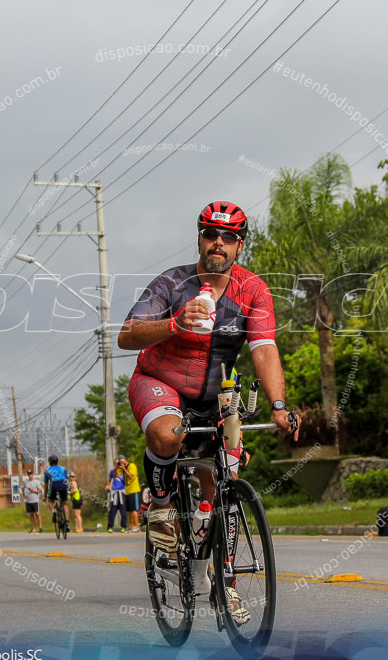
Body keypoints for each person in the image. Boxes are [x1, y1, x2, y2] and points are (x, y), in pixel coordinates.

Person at [117, 201, 300, 627]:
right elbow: (128, 335)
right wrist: (175, 324)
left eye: (230, 236)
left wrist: (277, 405)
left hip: (216, 395)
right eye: (211, 234)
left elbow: (265, 350)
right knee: (167, 436)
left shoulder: (253, 290)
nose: (219, 242)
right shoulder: (171, 282)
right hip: (159, 381)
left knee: (225, 481)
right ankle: (161, 507)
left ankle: (220, 580)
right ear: (200, 238)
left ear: (239, 245)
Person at [42, 455, 70, 531]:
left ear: (49, 462)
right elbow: (67, 480)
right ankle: (67, 523)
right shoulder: (63, 468)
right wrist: (67, 490)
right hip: (63, 484)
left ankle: (54, 511)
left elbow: (46, 485)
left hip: (53, 484)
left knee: (50, 501)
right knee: (64, 504)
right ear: (57, 462)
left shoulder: (47, 470)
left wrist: (45, 496)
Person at [117, 455, 141, 532]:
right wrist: (116, 466)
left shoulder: (132, 466)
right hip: (127, 491)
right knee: (130, 510)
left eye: (123, 461)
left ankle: (137, 527)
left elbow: (131, 476)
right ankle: (130, 526)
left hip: (134, 490)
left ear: (126, 460)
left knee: (134, 509)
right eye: (120, 462)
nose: (122, 463)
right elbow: (116, 475)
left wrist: (124, 468)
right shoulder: (122, 468)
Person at [105, 463, 127, 533]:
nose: (118, 465)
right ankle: (110, 527)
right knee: (112, 512)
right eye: (117, 464)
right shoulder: (113, 471)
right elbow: (110, 479)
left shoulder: (124, 471)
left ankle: (123, 527)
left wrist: (123, 468)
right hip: (114, 492)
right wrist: (107, 485)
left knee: (123, 512)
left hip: (122, 492)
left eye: (120, 464)